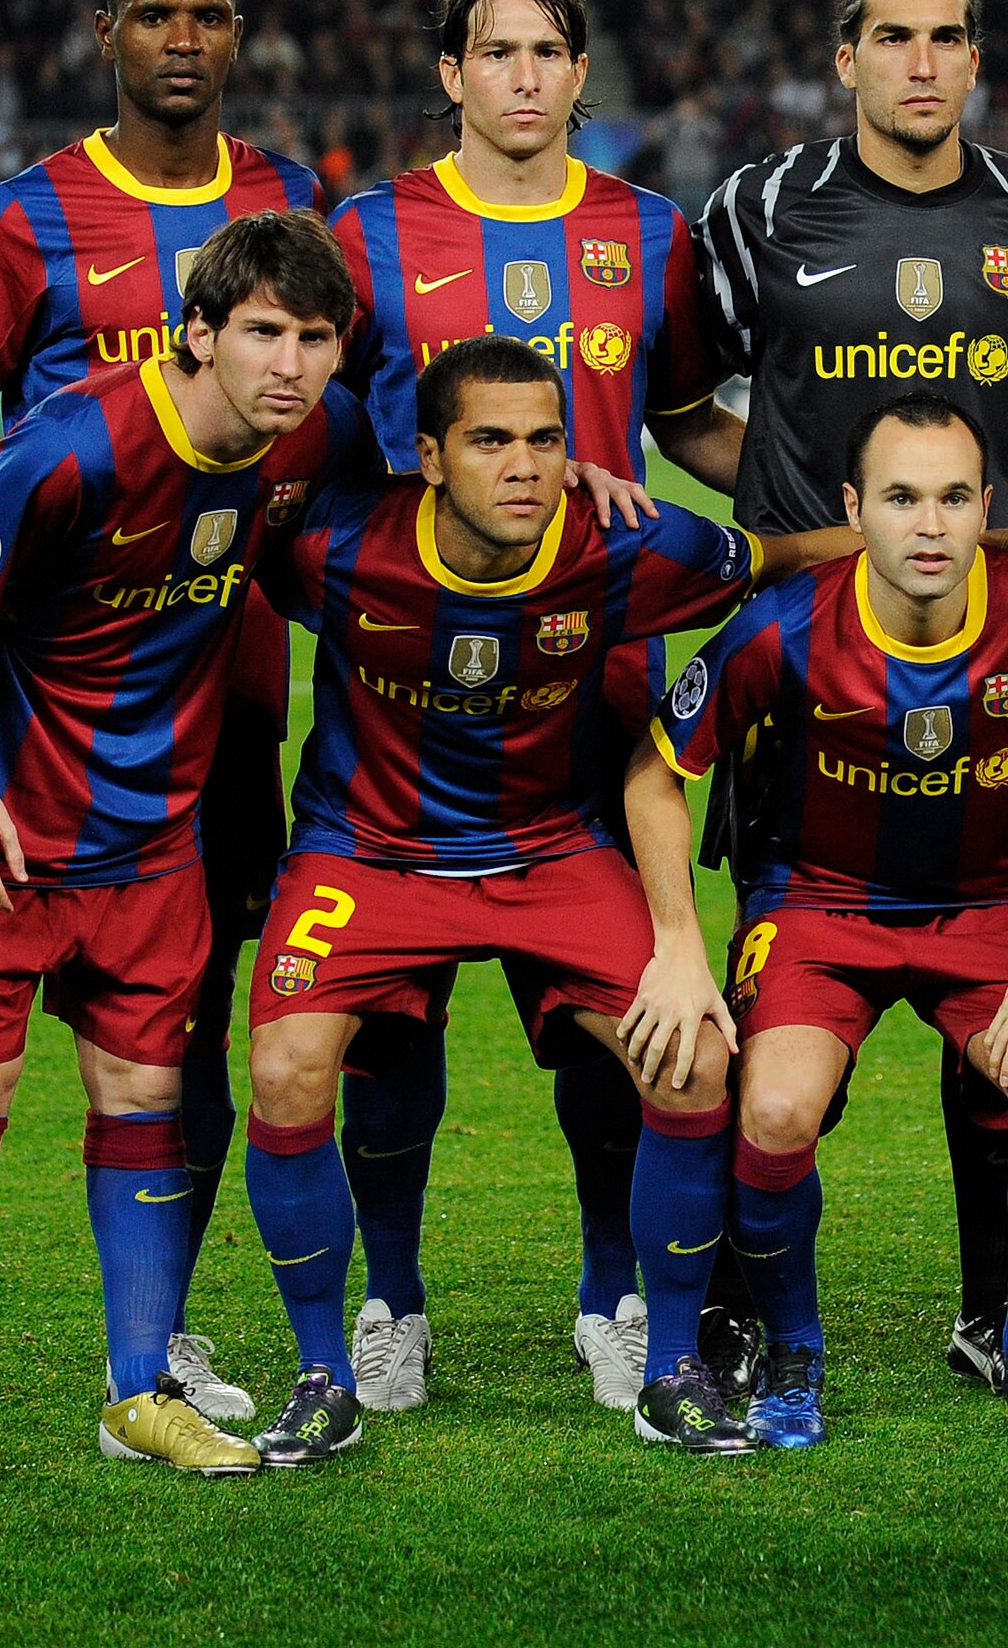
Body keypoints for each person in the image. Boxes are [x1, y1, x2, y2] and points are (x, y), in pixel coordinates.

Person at [689, 0, 1008, 1392]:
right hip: (810, 662)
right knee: (778, 1003)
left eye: (949, 37)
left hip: (988, 662)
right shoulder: (760, 210)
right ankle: (743, 1311)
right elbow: (680, 401)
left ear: (977, 59)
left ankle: (994, 1313)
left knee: (1006, 993)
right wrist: (797, 550)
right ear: (844, 58)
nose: (921, 61)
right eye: (893, 37)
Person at [235, 336, 852, 1460]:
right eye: (489, 441)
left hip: (550, 850)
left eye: (544, 441)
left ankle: (670, 1367)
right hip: (371, 848)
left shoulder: (622, 542)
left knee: (693, 1057)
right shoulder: (336, 547)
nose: (524, 466)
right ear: (427, 456)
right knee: (284, 1068)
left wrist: (966, 537)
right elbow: (227, 530)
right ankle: (328, 1366)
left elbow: (769, 556)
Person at [0, 0, 316, 1429]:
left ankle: (163, 1335)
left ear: (238, 34)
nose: (181, 42)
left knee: (180, 1015)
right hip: (32, 670)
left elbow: (319, 446)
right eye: (153, 17)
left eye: (207, 17)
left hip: (215, 684)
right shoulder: (28, 217)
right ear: (106, 32)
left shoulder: (286, 203)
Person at [324, 0, 726, 1414]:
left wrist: (840, 535)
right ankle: (393, 1300)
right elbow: (318, 447)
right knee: (384, 1022)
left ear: (578, 71)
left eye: (548, 53)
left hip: (601, 693)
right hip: (406, 703)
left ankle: (614, 1293)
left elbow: (687, 422)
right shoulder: (367, 235)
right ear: (451, 74)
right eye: (495, 53)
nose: (523, 79)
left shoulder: (651, 235)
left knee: (613, 1032)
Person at [649, 395, 1008, 1447]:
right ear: (856, 507)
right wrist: (679, 940)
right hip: (820, 906)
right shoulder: (786, 626)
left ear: (987, 504)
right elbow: (656, 770)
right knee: (773, 1109)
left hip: (990, 904)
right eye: (903, 497)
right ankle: (793, 1351)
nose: (931, 524)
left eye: (955, 496)